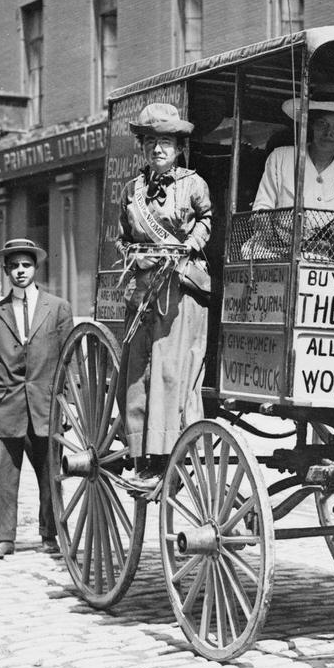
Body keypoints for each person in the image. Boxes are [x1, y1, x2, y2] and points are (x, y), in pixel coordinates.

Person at [118, 103, 213, 490]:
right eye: (151, 142)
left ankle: (170, 453)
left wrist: (191, 244)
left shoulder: (194, 184)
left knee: (172, 370)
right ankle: (141, 455)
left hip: (181, 288)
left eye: (167, 143)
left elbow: (207, 219)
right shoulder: (132, 191)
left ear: (178, 148)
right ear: (143, 146)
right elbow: (122, 238)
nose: (158, 150)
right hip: (143, 289)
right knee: (139, 369)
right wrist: (135, 253)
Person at [0, 238, 72, 559]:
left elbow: (68, 360)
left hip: (46, 403)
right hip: (7, 405)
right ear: (5, 271)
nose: (20, 271)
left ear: (35, 268)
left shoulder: (58, 307)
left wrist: (68, 406)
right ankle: (4, 538)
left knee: (50, 474)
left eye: (26, 265)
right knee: (4, 476)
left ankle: (50, 534)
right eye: (14, 266)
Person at [245, 82, 334, 256]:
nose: (328, 133)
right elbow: (262, 208)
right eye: (322, 123)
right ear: (310, 124)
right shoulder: (281, 157)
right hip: (275, 247)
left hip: (321, 250)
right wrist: (273, 243)